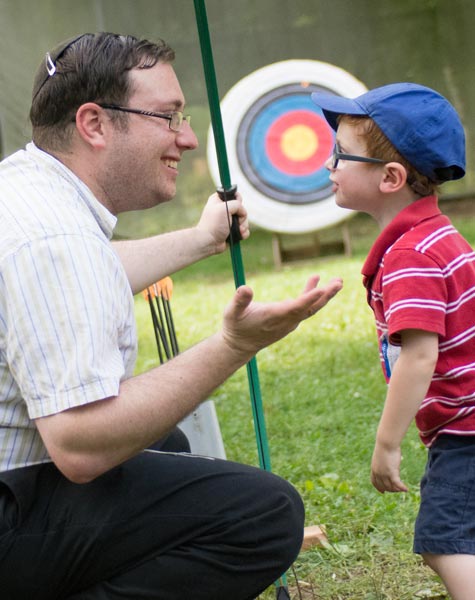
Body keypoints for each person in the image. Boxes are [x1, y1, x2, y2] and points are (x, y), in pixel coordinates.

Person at [0, 32, 343, 600]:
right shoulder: (54, 237)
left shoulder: (27, 189)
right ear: (94, 124)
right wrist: (234, 346)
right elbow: (81, 444)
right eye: (168, 117)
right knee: (263, 514)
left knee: (170, 447)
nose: (185, 138)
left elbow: (93, 271)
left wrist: (204, 240)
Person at [311, 82, 475, 599]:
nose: (328, 165)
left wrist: (387, 444)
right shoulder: (434, 235)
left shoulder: (411, 255)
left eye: (340, 154)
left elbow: (420, 355)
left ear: (390, 177)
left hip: (466, 432)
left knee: (445, 543)